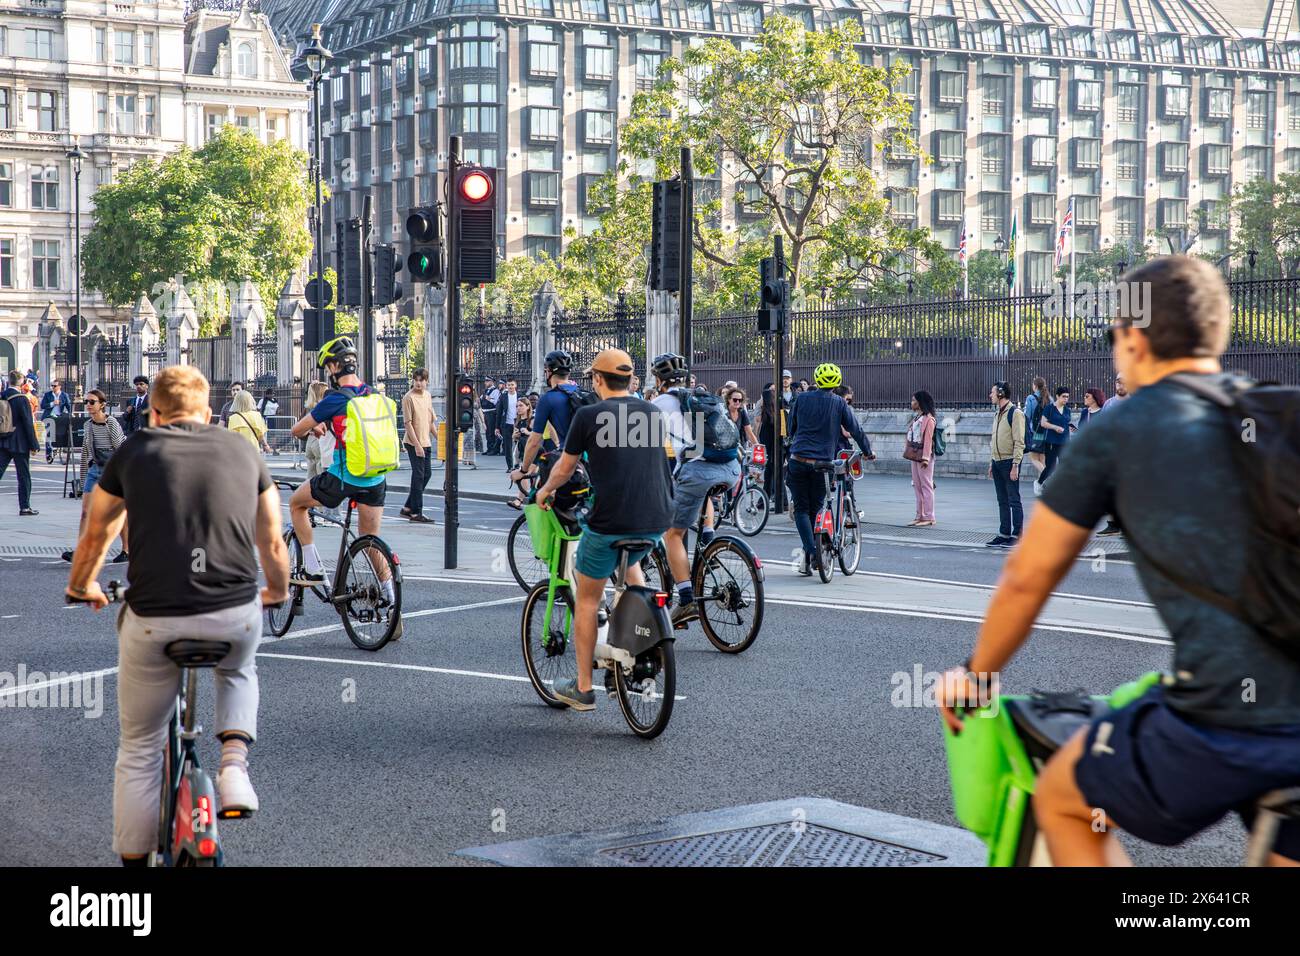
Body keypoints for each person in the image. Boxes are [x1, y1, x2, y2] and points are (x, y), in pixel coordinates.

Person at [938, 255, 1300, 867]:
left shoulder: (1121, 428)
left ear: (1133, 338)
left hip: (1222, 716)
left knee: (1061, 796)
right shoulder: (1281, 410)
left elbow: (1028, 577)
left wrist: (975, 675)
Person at [64, 364, 289, 866]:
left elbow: (97, 531)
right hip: (233, 608)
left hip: (154, 614)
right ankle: (234, 766)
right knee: (237, 666)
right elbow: (272, 539)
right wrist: (274, 590)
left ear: (155, 412)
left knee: (140, 749)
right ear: (208, 412)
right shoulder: (240, 450)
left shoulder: (136, 450)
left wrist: (83, 585)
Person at [534, 348, 673, 710]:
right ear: (629, 380)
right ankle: (640, 628)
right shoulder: (653, 412)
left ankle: (583, 688)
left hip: (611, 521)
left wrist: (544, 491)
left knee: (588, 599)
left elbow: (565, 469)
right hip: (657, 518)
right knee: (631, 564)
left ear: (597, 379)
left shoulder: (589, 415)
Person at [287, 337, 399, 636]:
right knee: (371, 540)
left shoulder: (336, 398)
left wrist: (316, 425)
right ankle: (391, 597)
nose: (328, 372)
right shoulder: (374, 394)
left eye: (328, 367)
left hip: (343, 477)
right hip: (376, 478)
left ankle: (312, 567)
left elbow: (296, 429)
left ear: (335, 367)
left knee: (297, 504)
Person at [650, 353, 741, 625]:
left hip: (698, 471)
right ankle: (708, 542)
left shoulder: (658, 404)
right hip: (731, 468)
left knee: (673, 533)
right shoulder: (701, 397)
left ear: (658, 379)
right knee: (702, 494)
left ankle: (686, 599)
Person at [785, 363, 874, 576]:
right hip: (822, 463)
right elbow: (855, 429)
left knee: (801, 510)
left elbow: (791, 426)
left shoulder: (802, 398)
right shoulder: (839, 404)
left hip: (798, 459)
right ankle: (817, 549)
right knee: (816, 507)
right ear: (836, 384)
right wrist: (868, 451)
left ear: (816, 380)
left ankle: (811, 552)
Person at [62, 389, 128, 564]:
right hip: (96, 469)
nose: (88, 405)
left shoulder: (111, 423)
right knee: (85, 512)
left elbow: (121, 449)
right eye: (86, 402)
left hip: (114, 471)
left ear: (102, 405)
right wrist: (84, 478)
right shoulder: (87, 425)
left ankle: (127, 550)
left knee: (119, 513)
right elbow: (86, 453)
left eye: (92, 402)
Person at [516, 350, 580, 494]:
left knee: (542, 498)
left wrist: (523, 470)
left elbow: (534, 441)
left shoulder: (548, 399)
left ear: (548, 371)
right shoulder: (581, 394)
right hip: (588, 462)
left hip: (566, 462)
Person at [987, 380, 1024, 548]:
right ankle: (1004, 533)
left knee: (1013, 499)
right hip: (997, 461)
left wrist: (1016, 465)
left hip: (1010, 461)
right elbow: (994, 439)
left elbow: (1019, 441)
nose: (990, 395)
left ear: (1000, 393)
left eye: (992, 392)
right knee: (1002, 500)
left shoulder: (1015, 413)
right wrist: (991, 462)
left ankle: (1017, 535)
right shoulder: (997, 413)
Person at [400, 368, 437, 523]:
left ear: (426, 381)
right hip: (413, 442)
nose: (418, 383)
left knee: (427, 474)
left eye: (421, 380)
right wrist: (416, 445)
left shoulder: (428, 396)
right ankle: (416, 512)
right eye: (416, 380)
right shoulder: (408, 398)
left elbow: (430, 421)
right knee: (418, 475)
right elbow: (408, 424)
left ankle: (408, 507)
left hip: (425, 440)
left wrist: (440, 439)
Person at [1, 369, 40, 515]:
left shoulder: (2, 396)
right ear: (21, 382)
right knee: (23, 475)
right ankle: (24, 506)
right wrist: (34, 444)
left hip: (3, 440)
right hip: (20, 442)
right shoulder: (22, 398)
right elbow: (28, 423)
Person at [906, 390, 937, 527]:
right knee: (917, 486)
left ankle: (929, 516)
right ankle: (919, 515)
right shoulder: (917, 418)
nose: (911, 403)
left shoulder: (929, 419)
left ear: (920, 403)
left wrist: (925, 458)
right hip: (914, 455)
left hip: (924, 457)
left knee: (926, 486)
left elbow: (929, 440)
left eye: (914, 400)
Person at [1036, 385, 1072, 489]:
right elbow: (1043, 423)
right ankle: (1039, 483)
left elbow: (1066, 423)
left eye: (1067, 397)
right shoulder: (1049, 408)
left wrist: (1071, 428)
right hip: (1051, 442)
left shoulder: (1067, 410)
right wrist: (1054, 427)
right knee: (1050, 467)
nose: (1066, 399)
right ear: (1057, 396)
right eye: (1063, 396)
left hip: (1064, 442)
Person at [226, 389, 274, 455]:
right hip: (254, 450)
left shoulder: (233, 418)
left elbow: (232, 438)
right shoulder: (257, 416)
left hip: (239, 452)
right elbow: (261, 436)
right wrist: (265, 445)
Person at [1023, 376, 1049, 494]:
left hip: (1035, 432)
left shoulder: (1030, 398)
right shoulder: (1049, 398)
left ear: (1035, 386)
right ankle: (1041, 487)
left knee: (1033, 458)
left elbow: (1027, 415)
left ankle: (1047, 477)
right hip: (1047, 432)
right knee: (1042, 459)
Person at [40, 378, 72, 462]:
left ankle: (57, 448)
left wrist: (70, 413)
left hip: (59, 417)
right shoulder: (48, 395)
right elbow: (42, 405)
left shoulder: (64, 395)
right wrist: (52, 403)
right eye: (52, 386)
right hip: (49, 417)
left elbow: (69, 406)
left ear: (59, 387)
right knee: (49, 435)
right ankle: (49, 453)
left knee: (60, 434)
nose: (53, 387)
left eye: (55, 386)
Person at [495, 377, 520, 470]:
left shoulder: (520, 396)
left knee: (519, 445)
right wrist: (497, 427)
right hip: (506, 424)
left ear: (515, 385)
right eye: (509, 385)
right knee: (507, 446)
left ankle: (518, 465)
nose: (510, 387)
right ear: (506, 386)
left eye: (512, 385)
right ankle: (510, 466)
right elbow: (499, 412)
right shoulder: (503, 396)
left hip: (518, 424)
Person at [480, 376, 501, 455]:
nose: (486, 383)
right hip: (485, 412)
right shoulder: (485, 391)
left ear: (492, 382)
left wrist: (489, 399)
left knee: (492, 431)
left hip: (491, 413)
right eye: (485, 381)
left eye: (488, 381)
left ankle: (494, 449)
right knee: (487, 431)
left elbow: (497, 402)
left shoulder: (495, 391)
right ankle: (489, 448)